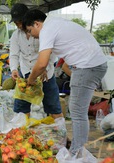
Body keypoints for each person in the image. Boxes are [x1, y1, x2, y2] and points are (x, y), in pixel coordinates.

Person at [22, 9, 108, 155]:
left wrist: (30, 80)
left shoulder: (47, 30)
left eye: (30, 31)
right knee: (76, 109)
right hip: (91, 65)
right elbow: (50, 56)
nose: (30, 36)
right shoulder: (55, 23)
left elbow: (42, 62)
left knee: (77, 111)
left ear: (37, 24)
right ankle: (77, 149)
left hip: (87, 66)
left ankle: (77, 153)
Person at [9, 3, 63, 119]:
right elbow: (13, 54)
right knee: (21, 108)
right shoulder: (15, 35)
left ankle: (60, 133)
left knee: (53, 107)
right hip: (25, 74)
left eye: (19, 22)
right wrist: (13, 69)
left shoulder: (42, 31)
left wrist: (45, 67)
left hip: (46, 75)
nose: (18, 25)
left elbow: (52, 52)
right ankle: (22, 131)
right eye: (15, 23)